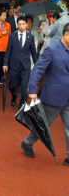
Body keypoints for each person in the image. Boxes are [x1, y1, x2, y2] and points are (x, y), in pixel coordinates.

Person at [21, 24, 69, 167]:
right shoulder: (52, 50)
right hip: (53, 97)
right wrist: (32, 90)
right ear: (66, 35)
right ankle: (27, 143)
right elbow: (37, 71)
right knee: (42, 126)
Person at [3, 16, 38, 109]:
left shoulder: (31, 37)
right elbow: (8, 51)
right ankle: (14, 96)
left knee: (24, 86)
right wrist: (5, 63)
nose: (21, 26)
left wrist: (38, 65)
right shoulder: (12, 36)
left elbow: (34, 52)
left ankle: (22, 104)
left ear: (26, 25)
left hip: (26, 66)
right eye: (19, 24)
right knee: (11, 86)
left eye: (23, 24)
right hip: (14, 65)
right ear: (17, 25)